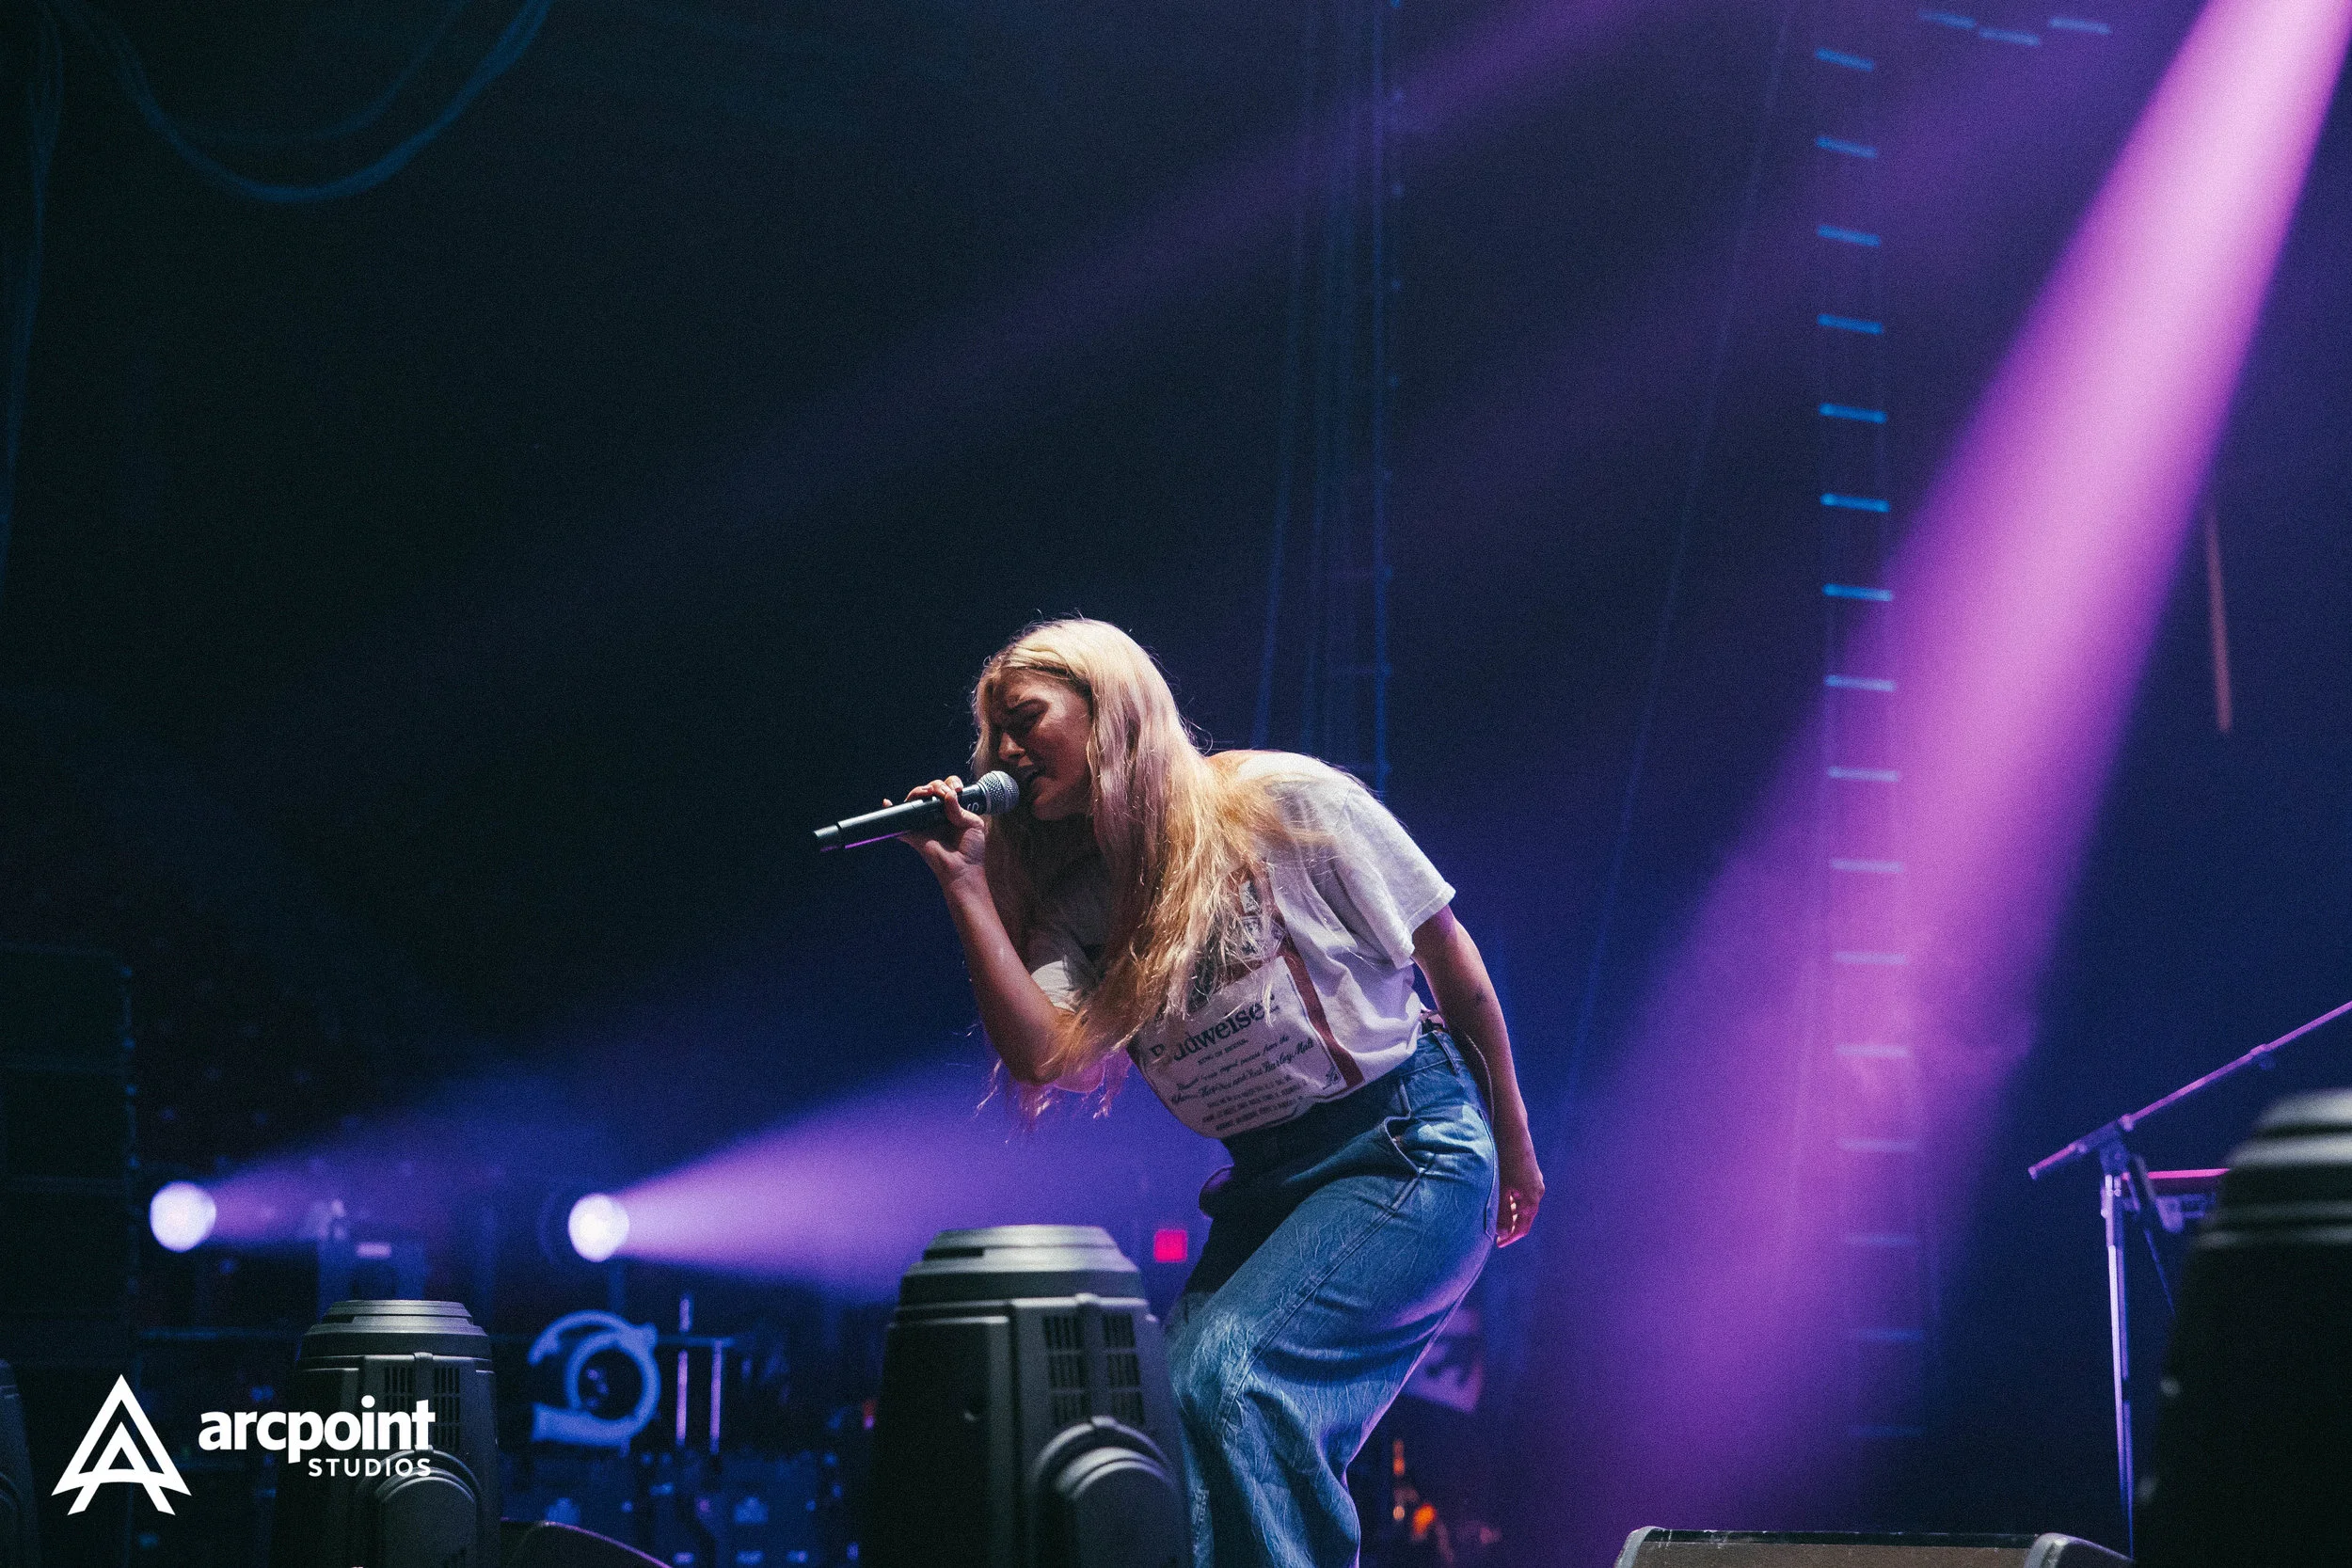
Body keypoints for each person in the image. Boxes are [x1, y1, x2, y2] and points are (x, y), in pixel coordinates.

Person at [895, 617, 1542, 1568]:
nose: (1002, 751)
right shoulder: (1083, 898)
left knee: (1225, 1381)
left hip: (1404, 1147)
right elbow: (1049, 1058)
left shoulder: (1281, 799)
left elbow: (1449, 957)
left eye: (1025, 718)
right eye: (990, 736)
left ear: (1109, 704)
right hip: (1269, 1185)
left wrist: (1514, 1142)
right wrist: (965, 886)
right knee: (1167, 1414)